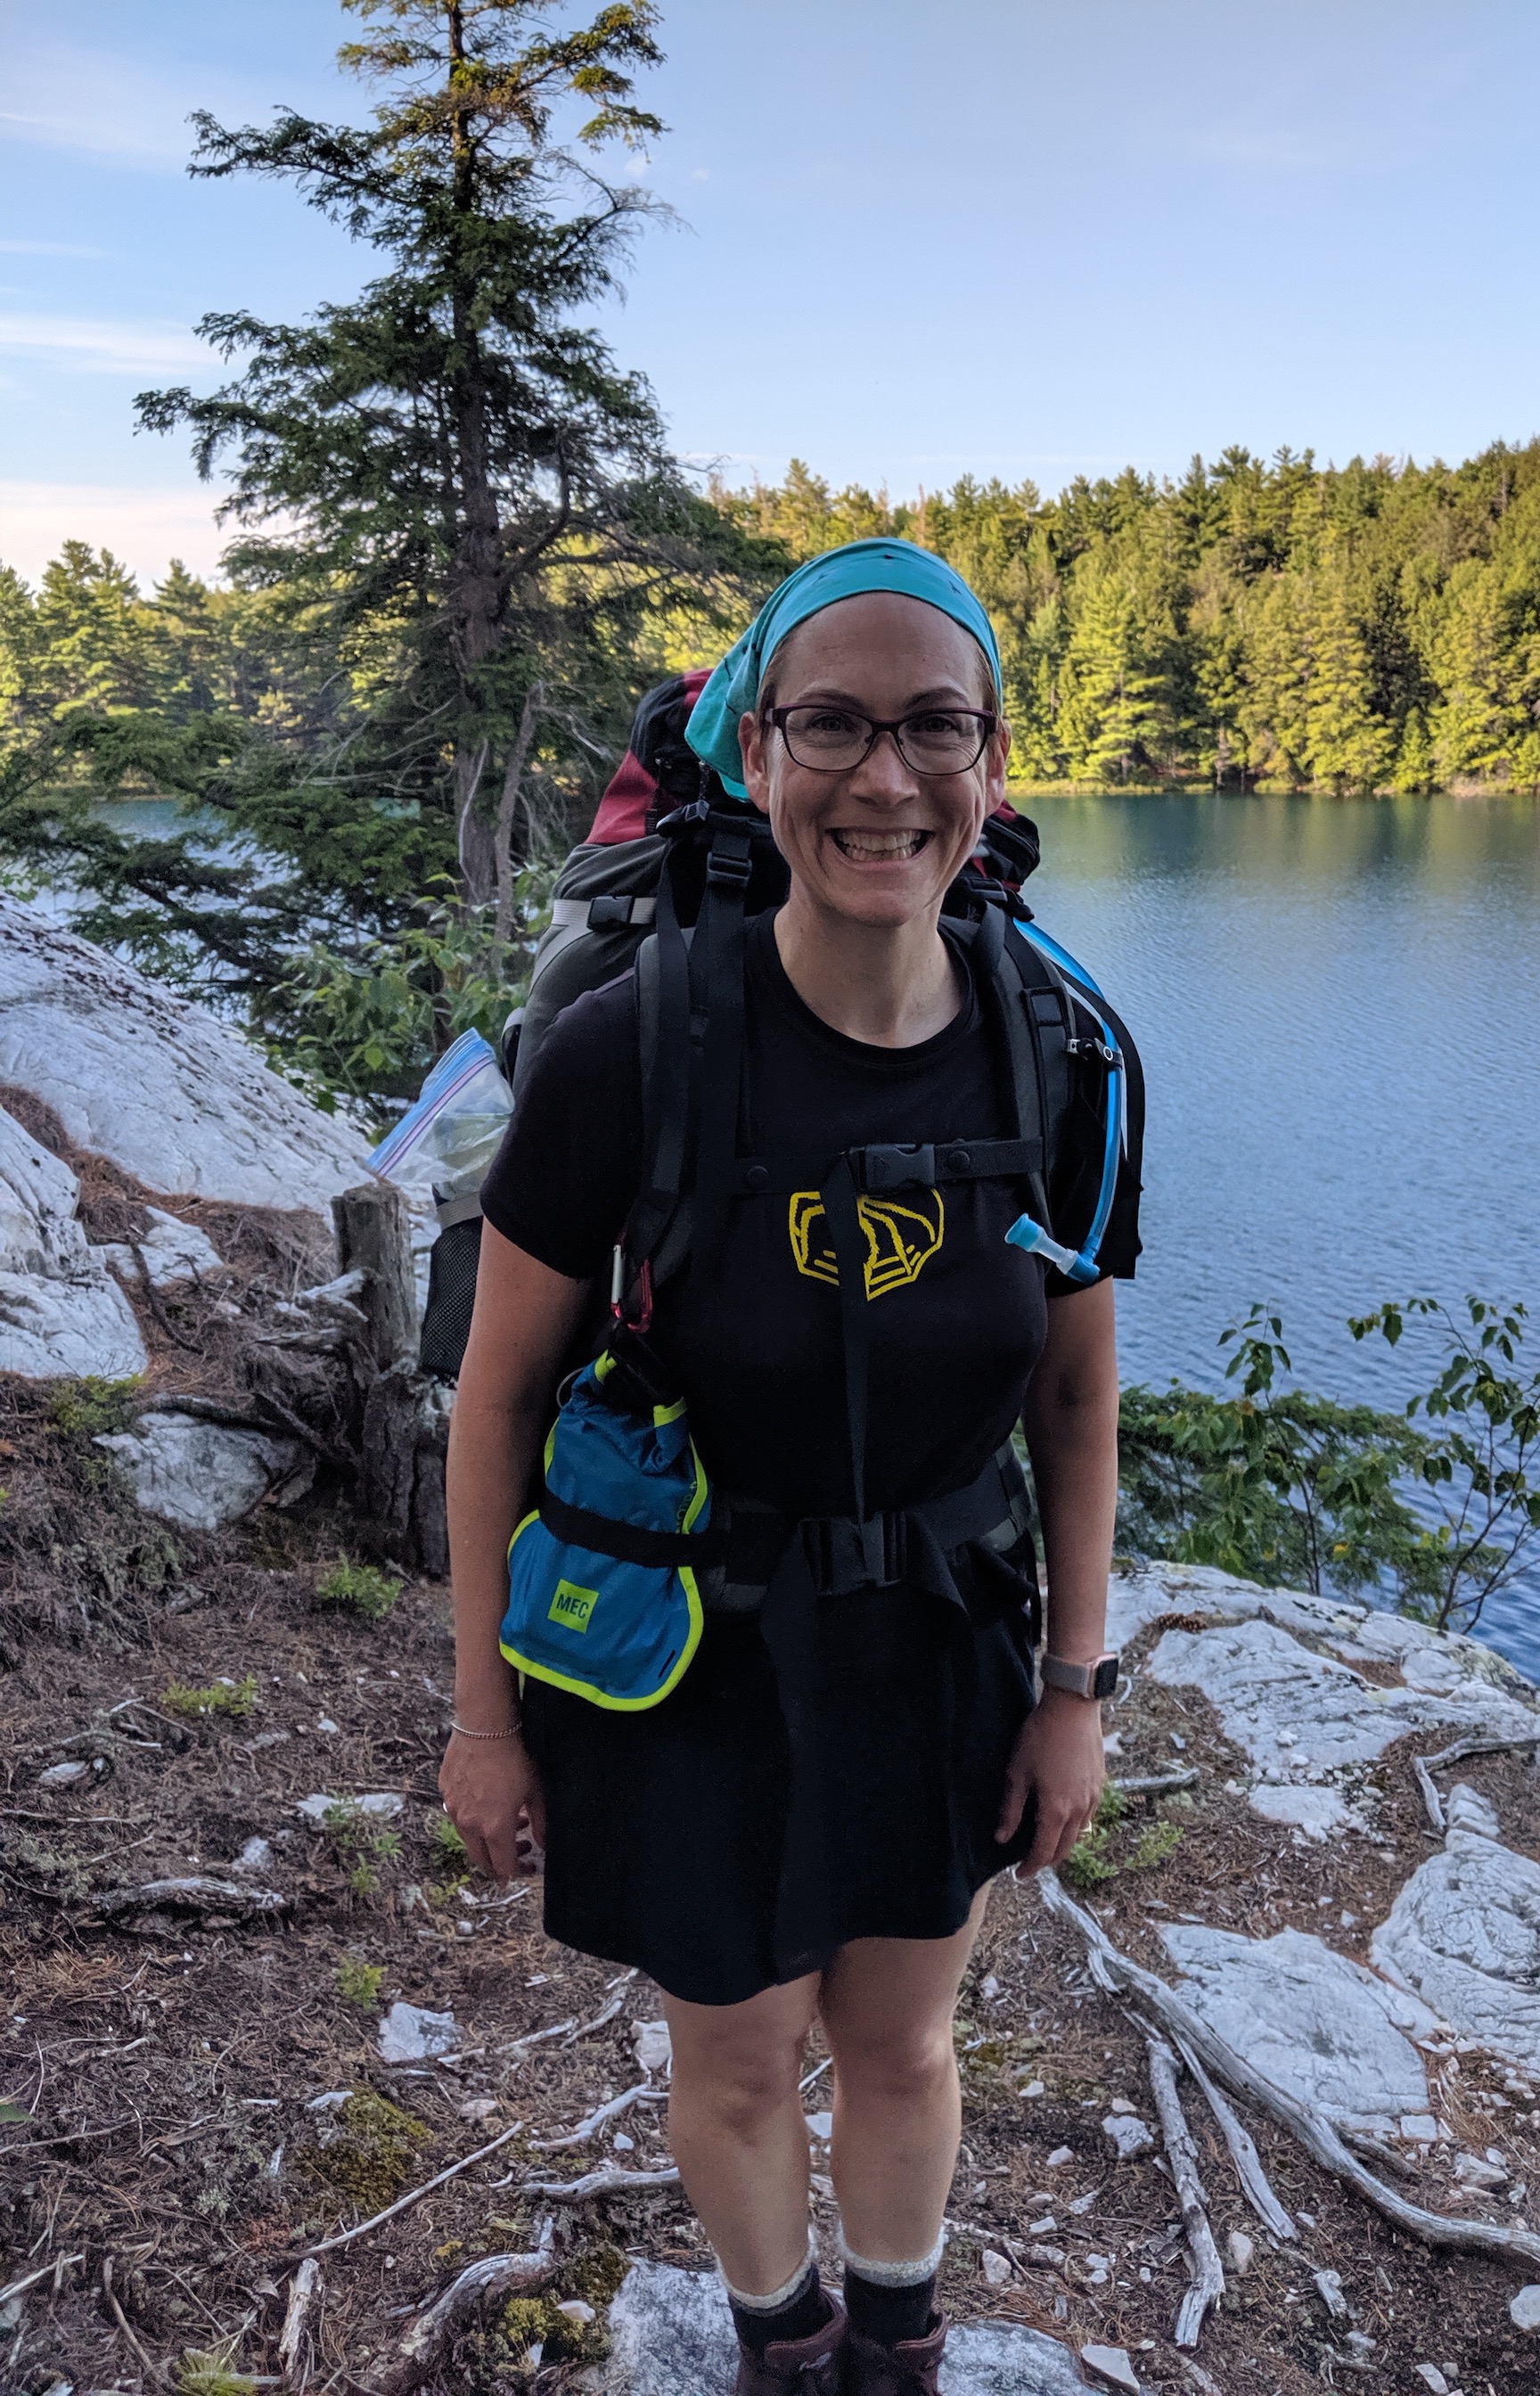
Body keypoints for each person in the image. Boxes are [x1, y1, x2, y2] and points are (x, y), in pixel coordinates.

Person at [440, 541, 1143, 2396]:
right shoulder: (629, 1053)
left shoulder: (1059, 1062)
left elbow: (1075, 1403)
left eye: (935, 729)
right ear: (759, 754)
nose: (882, 778)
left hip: (938, 1641)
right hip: (686, 1655)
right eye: (832, 723)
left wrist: (1074, 1686)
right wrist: (482, 1719)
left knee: (907, 2043)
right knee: (740, 2056)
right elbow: (496, 1398)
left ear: (995, 765)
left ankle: (899, 2349)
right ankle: (781, 2344)